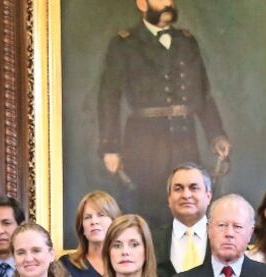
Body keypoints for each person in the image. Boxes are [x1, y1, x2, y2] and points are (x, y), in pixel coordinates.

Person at [98, 0, 229, 226]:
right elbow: (109, 97)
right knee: (148, 211)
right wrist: (110, 147)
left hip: (185, 141)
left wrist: (216, 134)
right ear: (141, 3)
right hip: (143, 142)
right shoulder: (124, 43)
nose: (168, 3)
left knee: (189, 210)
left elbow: (203, 95)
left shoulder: (187, 41)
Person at [151, 163, 214, 277]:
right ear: (169, 198)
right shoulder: (151, 240)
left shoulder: (224, 237)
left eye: (194, 188)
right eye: (178, 189)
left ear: (208, 196)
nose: (186, 195)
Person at [56, 190, 120, 277]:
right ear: (82, 227)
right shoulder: (66, 265)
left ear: (114, 221)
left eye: (101, 215)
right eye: (87, 217)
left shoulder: (126, 262)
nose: (94, 221)